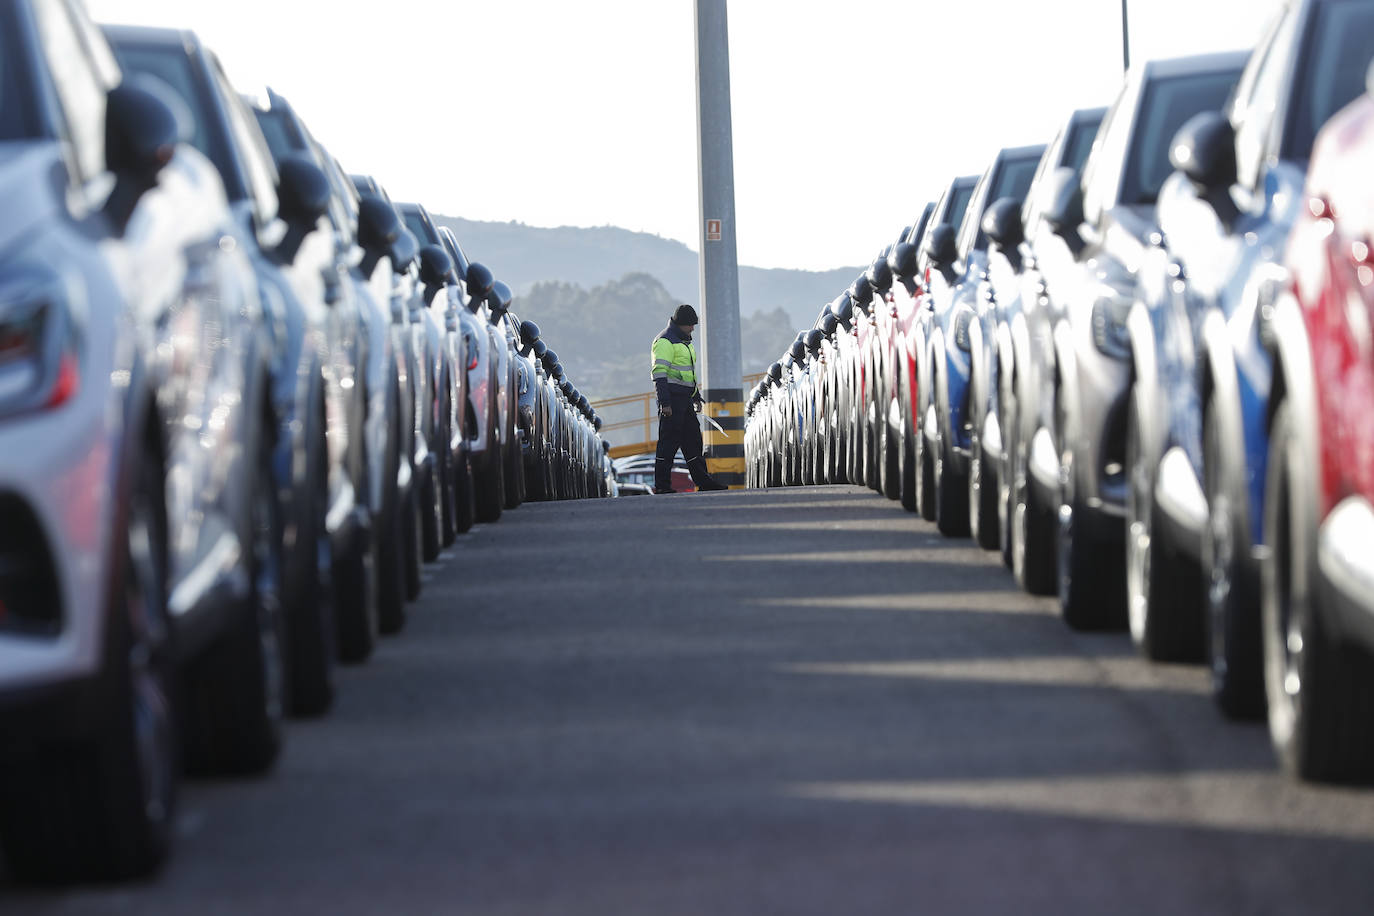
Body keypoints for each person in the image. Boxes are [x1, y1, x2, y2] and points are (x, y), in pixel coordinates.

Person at [651, 304, 728, 494]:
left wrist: (696, 397)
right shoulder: (665, 342)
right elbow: (659, 374)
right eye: (690, 325)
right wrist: (665, 403)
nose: (693, 328)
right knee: (668, 445)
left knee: (693, 442)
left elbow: (688, 376)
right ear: (681, 324)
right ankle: (662, 486)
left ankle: (704, 482)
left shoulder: (685, 342)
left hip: (685, 401)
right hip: (672, 402)